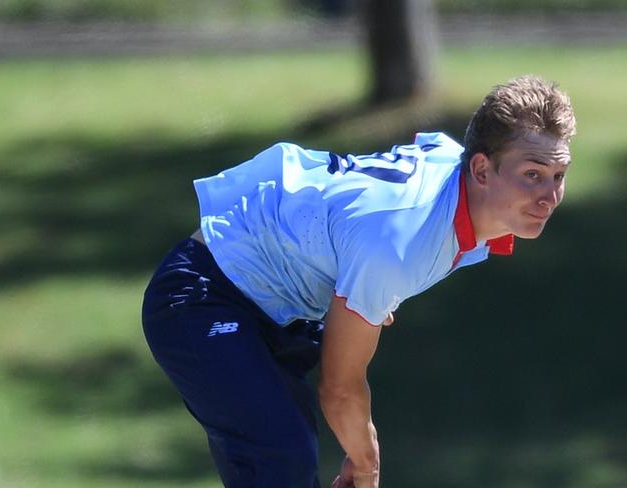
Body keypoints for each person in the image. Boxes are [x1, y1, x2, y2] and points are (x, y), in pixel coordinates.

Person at [141, 75, 576, 488]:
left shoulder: (458, 186)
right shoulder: (398, 242)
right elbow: (340, 388)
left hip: (281, 308)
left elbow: (427, 149)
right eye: (532, 174)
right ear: (481, 170)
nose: (549, 196)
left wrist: (368, 277)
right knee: (283, 455)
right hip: (204, 295)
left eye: (559, 176)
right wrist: (366, 462)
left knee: (283, 460)